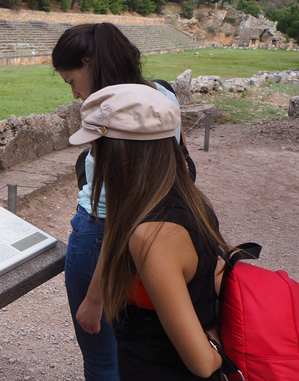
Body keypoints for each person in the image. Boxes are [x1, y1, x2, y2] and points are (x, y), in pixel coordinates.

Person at [68, 84, 227, 379]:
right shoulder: (185, 201)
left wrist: (217, 336)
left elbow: (203, 362)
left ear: (120, 152)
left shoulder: (152, 236)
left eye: (95, 147)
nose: (93, 158)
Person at [52, 22, 182, 380]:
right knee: (141, 349)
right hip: (156, 234)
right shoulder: (161, 96)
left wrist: (94, 299)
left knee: (102, 359)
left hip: (100, 239)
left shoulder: (111, 121)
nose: (76, 94)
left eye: (71, 81)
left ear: (89, 62)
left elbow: (120, 213)